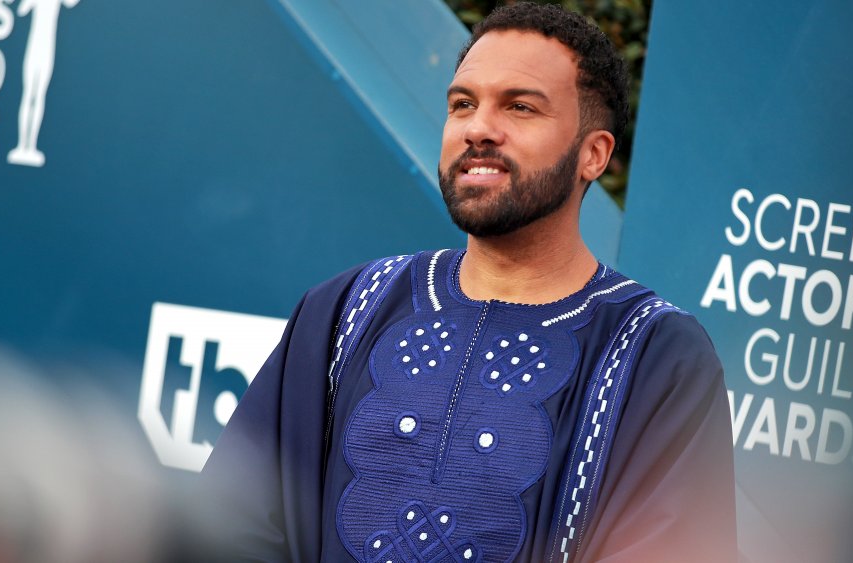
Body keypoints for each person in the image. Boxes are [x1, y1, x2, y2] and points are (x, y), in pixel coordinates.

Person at [202, 3, 737, 562]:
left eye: (520, 107)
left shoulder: (658, 356)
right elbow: (230, 524)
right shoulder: (343, 311)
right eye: (462, 104)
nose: (479, 128)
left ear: (593, 154)